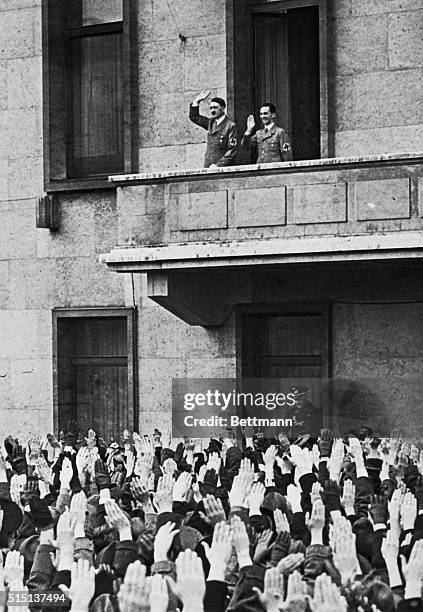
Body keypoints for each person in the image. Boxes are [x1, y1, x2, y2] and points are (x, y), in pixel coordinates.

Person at [189, 89, 239, 168]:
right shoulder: (211, 123)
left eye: (215, 108)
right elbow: (194, 117)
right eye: (211, 108)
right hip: (208, 167)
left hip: (222, 168)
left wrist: (218, 165)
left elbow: (232, 150)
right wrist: (197, 101)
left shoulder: (230, 126)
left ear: (223, 108)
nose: (212, 110)